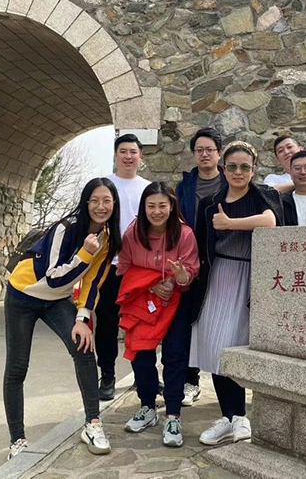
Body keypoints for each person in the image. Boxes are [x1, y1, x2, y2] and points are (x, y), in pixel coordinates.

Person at [3, 178, 122, 459]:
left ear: (114, 204)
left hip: (56, 301)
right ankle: (17, 440)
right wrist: (85, 254)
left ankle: (93, 423)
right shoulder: (65, 228)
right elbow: (53, 277)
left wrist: (82, 318)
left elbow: (93, 282)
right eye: (95, 200)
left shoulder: (107, 239)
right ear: (86, 202)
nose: (101, 207)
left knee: (84, 349)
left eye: (107, 201)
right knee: (17, 367)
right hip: (23, 295)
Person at [189, 141, 282, 446]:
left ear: (253, 170)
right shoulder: (211, 201)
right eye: (232, 166)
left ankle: (239, 416)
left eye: (245, 166)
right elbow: (200, 242)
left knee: (235, 345)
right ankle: (230, 417)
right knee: (216, 346)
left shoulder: (262, 195)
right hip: (218, 277)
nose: (238, 172)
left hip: (252, 277)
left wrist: (230, 223)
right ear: (223, 168)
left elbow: (271, 221)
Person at [116, 182, 200, 447]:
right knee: (141, 353)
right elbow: (123, 267)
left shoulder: (184, 234)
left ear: (172, 206)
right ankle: (147, 406)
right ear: (143, 207)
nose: (156, 211)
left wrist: (181, 277)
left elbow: (190, 274)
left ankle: (173, 415)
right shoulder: (133, 233)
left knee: (174, 356)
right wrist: (151, 284)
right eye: (151, 206)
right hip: (143, 299)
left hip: (175, 302)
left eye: (162, 205)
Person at [175, 127, 227, 406]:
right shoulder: (184, 186)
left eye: (210, 150)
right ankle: (190, 381)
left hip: (225, 259)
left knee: (225, 321)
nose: (204, 154)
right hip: (192, 261)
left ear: (219, 153)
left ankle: (229, 383)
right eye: (199, 150)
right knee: (189, 320)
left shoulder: (230, 181)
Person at [96, 134, 150, 400]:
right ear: (116, 155)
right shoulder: (104, 186)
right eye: (123, 151)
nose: (128, 156)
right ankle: (107, 375)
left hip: (138, 269)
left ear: (140, 156)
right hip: (108, 266)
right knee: (106, 324)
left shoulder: (148, 189)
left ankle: (143, 376)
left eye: (133, 152)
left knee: (139, 324)